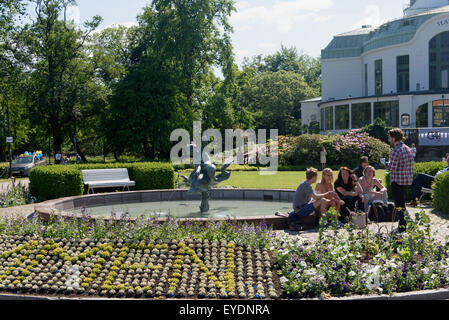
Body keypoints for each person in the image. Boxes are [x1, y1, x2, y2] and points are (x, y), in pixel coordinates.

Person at [388, 128, 414, 233]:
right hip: (406, 181)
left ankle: (402, 227)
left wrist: (388, 162)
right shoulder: (408, 148)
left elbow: (391, 168)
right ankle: (404, 224)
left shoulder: (396, 150)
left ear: (394, 138)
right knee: (402, 204)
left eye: (389, 137)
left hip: (397, 181)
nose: (389, 139)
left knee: (399, 206)